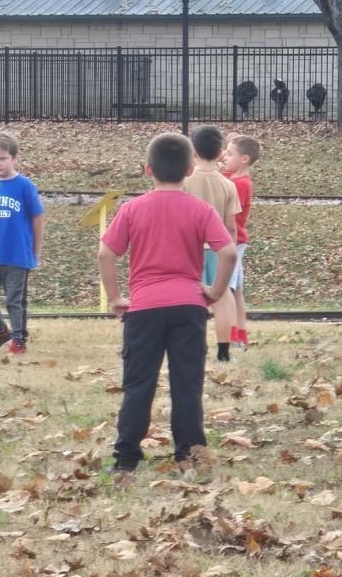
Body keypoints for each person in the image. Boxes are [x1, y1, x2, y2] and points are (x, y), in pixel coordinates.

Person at [98, 133, 236, 472]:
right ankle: (189, 454)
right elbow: (229, 252)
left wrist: (116, 298)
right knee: (187, 383)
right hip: (188, 306)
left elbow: (106, 253)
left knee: (138, 383)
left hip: (144, 307)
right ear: (189, 170)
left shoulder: (132, 208)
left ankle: (127, 456)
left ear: (148, 170)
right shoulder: (200, 209)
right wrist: (215, 292)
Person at [0, 132, 45, 355]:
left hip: (18, 255)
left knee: (15, 300)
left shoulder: (24, 185)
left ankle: (18, 340)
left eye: (3, 158)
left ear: (14, 158)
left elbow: (37, 217)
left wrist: (35, 252)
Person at [184, 125, 241, 363]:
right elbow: (230, 227)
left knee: (189, 300)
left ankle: (193, 349)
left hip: (189, 250)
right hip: (218, 251)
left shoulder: (184, 181)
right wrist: (231, 251)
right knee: (223, 301)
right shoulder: (229, 185)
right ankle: (224, 353)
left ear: (192, 152)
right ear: (220, 153)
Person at [222, 134, 261, 348]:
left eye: (229, 153)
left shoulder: (241, 184)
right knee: (235, 289)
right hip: (234, 240)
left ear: (244, 159)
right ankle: (240, 334)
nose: (224, 157)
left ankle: (234, 336)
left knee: (228, 289)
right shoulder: (233, 178)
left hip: (233, 241)